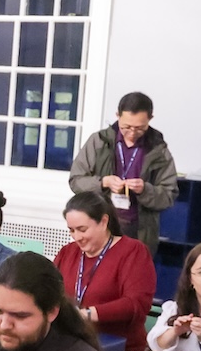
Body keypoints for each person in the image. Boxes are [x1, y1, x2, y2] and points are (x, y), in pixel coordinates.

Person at [68, 91, 179, 257]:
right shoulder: (99, 142)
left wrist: (145, 190)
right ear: (117, 116)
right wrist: (102, 183)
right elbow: (76, 180)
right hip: (99, 228)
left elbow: (169, 195)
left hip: (139, 232)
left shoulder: (158, 150)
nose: (132, 133)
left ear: (150, 118)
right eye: (126, 127)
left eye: (140, 128)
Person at [53, 191, 156, 351]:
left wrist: (86, 315)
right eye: (71, 230)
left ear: (104, 222)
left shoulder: (133, 251)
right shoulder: (67, 252)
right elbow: (48, 289)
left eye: (82, 229)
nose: (77, 237)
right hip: (72, 348)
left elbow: (137, 304)